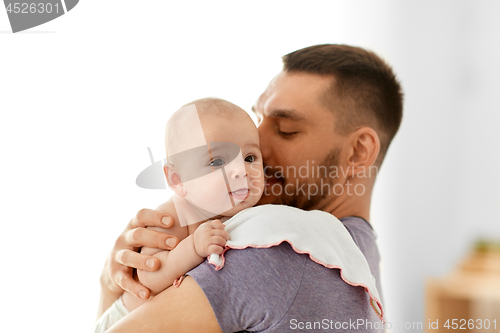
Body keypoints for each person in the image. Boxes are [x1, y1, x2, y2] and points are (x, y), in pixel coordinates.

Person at [98, 44, 403, 332]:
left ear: (358, 152)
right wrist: (111, 282)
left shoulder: (279, 246)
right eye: (258, 119)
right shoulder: (359, 254)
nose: (258, 143)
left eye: (286, 130)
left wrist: (110, 291)